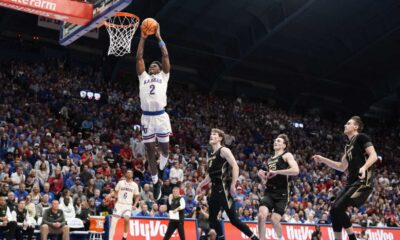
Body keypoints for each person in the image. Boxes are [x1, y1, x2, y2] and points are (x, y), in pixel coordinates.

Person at [312, 116, 378, 240]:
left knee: (338, 208)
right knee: (333, 211)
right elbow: (342, 167)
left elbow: (374, 156)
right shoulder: (348, 146)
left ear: (356, 127)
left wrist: (363, 168)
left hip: (363, 181)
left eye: (348, 123)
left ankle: (352, 238)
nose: (345, 125)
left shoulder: (361, 137)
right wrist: (323, 159)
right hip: (351, 183)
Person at [196, 128, 259, 240]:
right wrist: (200, 185)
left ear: (220, 138)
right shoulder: (211, 155)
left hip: (224, 188)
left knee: (233, 220)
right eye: (211, 134)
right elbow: (210, 175)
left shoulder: (224, 150)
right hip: (215, 190)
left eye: (214, 134)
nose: (211, 135)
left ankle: (254, 237)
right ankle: (221, 237)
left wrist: (233, 184)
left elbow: (235, 166)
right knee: (212, 220)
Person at [136, 21, 171, 200]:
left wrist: (158, 38)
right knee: (150, 150)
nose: (152, 67)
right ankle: (156, 180)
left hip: (161, 117)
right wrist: (142, 39)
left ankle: (163, 169)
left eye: (155, 66)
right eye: (151, 66)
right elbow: (139, 58)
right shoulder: (144, 77)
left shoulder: (164, 77)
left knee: (165, 150)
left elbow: (165, 55)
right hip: (147, 118)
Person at [257, 134, 299, 240]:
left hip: (283, 193)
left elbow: (296, 170)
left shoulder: (287, 155)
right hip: (269, 192)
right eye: (275, 140)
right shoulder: (270, 160)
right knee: (261, 215)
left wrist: (277, 172)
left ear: (284, 145)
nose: (276, 142)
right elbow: (268, 179)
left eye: (279, 141)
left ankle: (280, 238)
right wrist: (263, 176)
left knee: (274, 219)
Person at [112, 170, 140, 240]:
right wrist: (115, 199)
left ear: (132, 175)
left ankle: (124, 236)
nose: (129, 174)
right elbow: (115, 191)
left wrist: (135, 204)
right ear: (125, 174)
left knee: (126, 219)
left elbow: (137, 196)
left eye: (130, 173)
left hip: (128, 205)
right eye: (128, 172)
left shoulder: (135, 185)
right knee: (113, 223)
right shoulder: (120, 183)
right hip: (119, 204)